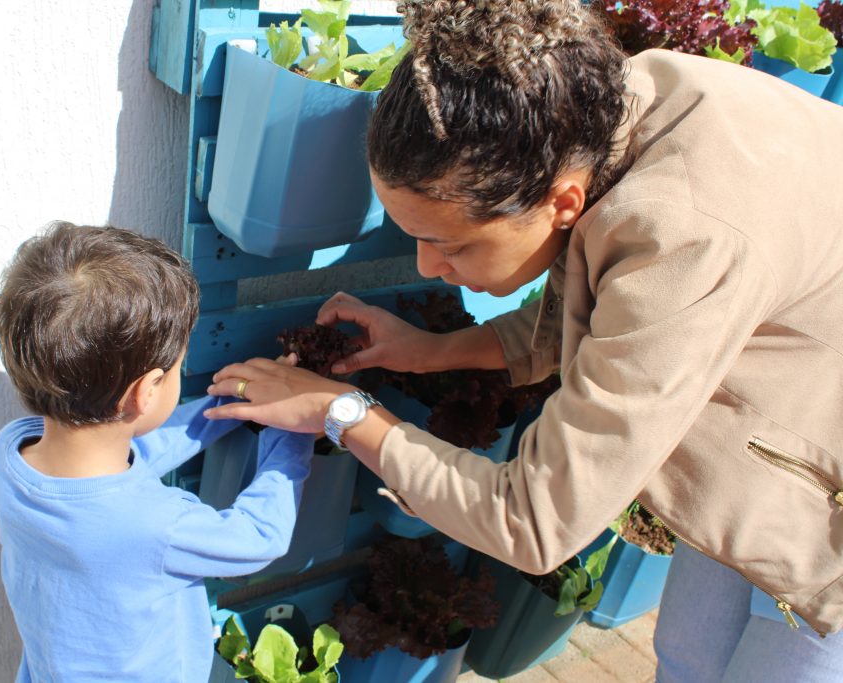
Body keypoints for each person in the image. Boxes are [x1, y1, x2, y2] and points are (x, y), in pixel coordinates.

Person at [203, 1, 843, 680]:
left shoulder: (682, 235)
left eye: (448, 243)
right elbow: (598, 310)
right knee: (687, 656)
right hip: (779, 445)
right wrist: (429, 350)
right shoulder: (606, 112)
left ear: (562, 203)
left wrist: (341, 411)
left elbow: (534, 522)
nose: (426, 266)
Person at [0, 222, 313, 683]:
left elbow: (136, 447)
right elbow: (260, 537)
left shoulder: (11, 453)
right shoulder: (159, 524)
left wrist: (231, 405)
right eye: (177, 368)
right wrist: (292, 428)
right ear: (147, 391)